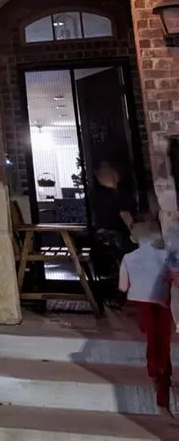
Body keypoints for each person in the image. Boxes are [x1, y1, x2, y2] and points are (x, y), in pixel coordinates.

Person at [119, 219, 174, 416]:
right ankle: (160, 375)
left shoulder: (128, 257)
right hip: (161, 301)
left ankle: (155, 370)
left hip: (139, 301)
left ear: (135, 238)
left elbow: (123, 287)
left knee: (151, 336)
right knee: (161, 340)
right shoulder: (167, 256)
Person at [91, 162, 137, 303]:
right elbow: (125, 214)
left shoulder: (99, 193)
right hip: (115, 235)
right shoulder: (116, 194)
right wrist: (134, 229)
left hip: (103, 234)